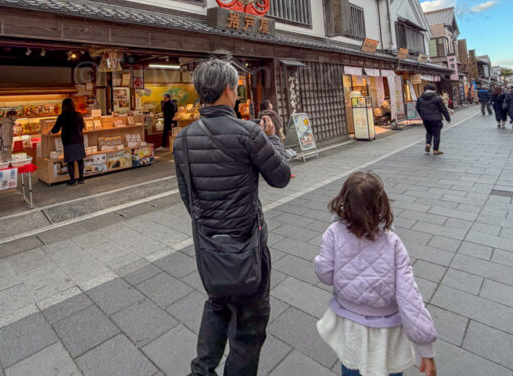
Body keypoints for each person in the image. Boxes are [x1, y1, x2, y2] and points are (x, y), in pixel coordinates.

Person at [174, 58, 291, 375]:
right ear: (228, 89)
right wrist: (275, 137)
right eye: (236, 86)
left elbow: (189, 199)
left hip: (210, 249)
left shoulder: (182, 140)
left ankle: (202, 370)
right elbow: (280, 176)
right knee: (249, 330)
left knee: (217, 303)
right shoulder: (250, 133)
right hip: (247, 247)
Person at [314, 171, 438, 376]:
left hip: (351, 326)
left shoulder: (333, 233)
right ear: (381, 205)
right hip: (388, 332)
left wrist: (319, 261)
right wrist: (426, 349)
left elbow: (325, 275)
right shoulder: (393, 243)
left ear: (344, 201)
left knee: (352, 367)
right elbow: (410, 298)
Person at [51, 98, 86, 186]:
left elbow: (55, 129)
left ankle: (73, 180)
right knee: (80, 160)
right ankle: (81, 179)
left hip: (68, 141)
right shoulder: (79, 115)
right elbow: (82, 127)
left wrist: (50, 132)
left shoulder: (62, 117)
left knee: (70, 161)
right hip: (79, 140)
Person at [415, 83, 451, 155]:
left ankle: (428, 143)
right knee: (436, 134)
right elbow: (443, 109)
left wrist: (423, 116)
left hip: (426, 119)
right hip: (436, 119)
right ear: (434, 90)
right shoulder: (438, 98)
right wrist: (448, 118)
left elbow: (418, 108)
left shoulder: (420, 98)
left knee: (429, 131)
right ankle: (435, 149)